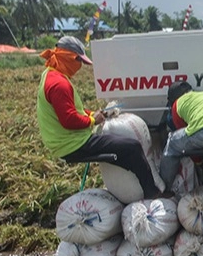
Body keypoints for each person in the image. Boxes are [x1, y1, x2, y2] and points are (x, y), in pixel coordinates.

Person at [36, 35, 161, 199]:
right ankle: (152, 192)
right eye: (79, 61)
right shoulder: (59, 84)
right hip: (72, 143)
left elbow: (72, 110)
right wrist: (94, 120)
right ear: (70, 58)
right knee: (133, 146)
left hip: (64, 141)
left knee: (125, 152)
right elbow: (69, 120)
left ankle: (140, 189)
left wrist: (91, 113)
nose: (79, 66)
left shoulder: (50, 75)